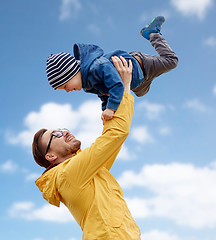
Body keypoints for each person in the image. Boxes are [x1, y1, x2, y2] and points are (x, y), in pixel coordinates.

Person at [32, 56, 141, 239]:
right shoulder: (68, 175)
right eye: (56, 135)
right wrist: (123, 89)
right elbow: (115, 135)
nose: (64, 132)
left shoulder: (89, 171)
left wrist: (111, 105)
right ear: (50, 156)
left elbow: (111, 139)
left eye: (62, 129)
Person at [45, 16, 178, 121]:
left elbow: (116, 86)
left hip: (142, 65)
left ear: (71, 73)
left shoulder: (98, 67)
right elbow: (103, 95)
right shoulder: (88, 84)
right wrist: (105, 110)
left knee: (172, 61)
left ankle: (152, 33)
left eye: (65, 86)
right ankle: (149, 77)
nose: (67, 91)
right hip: (138, 82)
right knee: (142, 93)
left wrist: (111, 108)